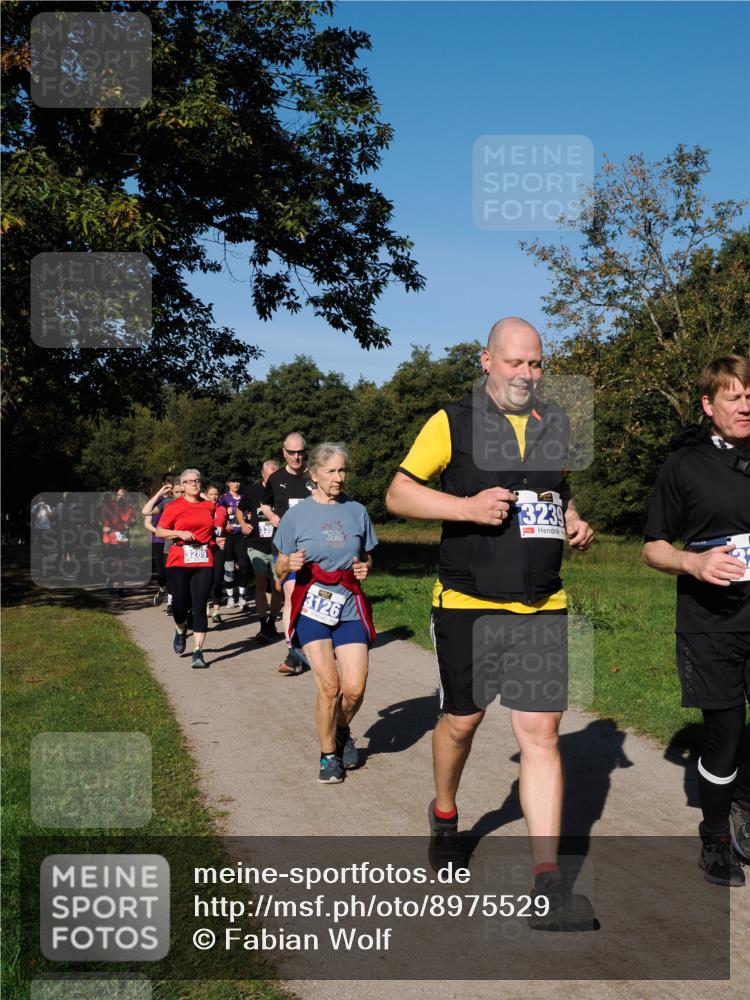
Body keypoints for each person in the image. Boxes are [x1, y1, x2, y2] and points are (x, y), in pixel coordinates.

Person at [386, 316, 595, 926]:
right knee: (461, 722)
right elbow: (399, 494)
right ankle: (445, 811)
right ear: (487, 360)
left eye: (535, 364)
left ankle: (548, 882)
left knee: (541, 733)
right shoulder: (452, 421)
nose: (527, 374)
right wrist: (466, 507)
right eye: (515, 363)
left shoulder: (554, 424)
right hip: (469, 602)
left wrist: (574, 521)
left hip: (542, 604)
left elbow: (556, 493)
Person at [643, 355, 750, 888]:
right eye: (734, 396)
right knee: (726, 733)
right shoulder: (683, 466)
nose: (746, 404)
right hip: (713, 621)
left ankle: (744, 808)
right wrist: (694, 562)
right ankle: (714, 838)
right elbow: (653, 548)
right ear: (709, 406)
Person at [274, 443, 377, 783]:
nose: (339, 477)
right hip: (313, 607)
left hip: (348, 605)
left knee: (355, 688)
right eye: (331, 471)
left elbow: (366, 557)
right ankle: (327, 756)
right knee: (330, 687)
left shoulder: (357, 511)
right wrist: (288, 563)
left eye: (343, 470)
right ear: (314, 475)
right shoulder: (297, 515)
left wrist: (364, 567)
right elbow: (278, 566)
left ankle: (343, 730)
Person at [262, 432, 314, 674]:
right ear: (283, 452)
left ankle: (314, 643)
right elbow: (265, 502)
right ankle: (293, 650)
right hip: (284, 548)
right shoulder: (275, 478)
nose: (296, 456)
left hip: (313, 547)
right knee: (292, 595)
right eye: (291, 452)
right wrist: (272, 516)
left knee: (313, 597)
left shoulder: (313, 476)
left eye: (300, 452)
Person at [155, 468, 217, 669]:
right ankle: (180, 629)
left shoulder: (209, 506)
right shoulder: (174, 506)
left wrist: (217, 539)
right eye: (189, 481)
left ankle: (198, 652)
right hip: (179, 559)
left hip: (203, 560)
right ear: (182, 484)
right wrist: (179, 533)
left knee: (199, 606)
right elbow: (160, 531)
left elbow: (211, 530)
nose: (194, 484)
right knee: (180, 606)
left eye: (197, 481)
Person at [237, 460, 282, 643]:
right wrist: (243, 524)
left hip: (278, 546)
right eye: (270, 473)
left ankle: (272, 621)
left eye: (276, 473)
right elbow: (240, 511)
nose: (273, 477)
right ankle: (263, 624)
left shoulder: (282, 491)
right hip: (256, 544)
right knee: (261, 579)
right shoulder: (252, 491)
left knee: (277, 586)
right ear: (262, 474)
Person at [142, 474, 175, 607]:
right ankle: (162, 589)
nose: (170, 484)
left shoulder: (177, 500)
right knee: (161, 573)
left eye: (172, 482)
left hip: (172, 540)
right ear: (163, 483)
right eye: (167, 482)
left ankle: (171, 604)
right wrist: (158, 532)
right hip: (158, 540)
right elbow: (147, 522)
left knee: (171, 572)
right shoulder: (158, 500)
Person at [218, 474, 250, 609]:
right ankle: (231, 597)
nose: (236, 484)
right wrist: (225, 523)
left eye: (238, 482)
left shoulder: (244, 497)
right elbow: (219, 518)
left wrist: (248, 516)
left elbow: (249, 514)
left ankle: (242, 596)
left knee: (244, 566)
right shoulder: (224, 498)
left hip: (241, 536)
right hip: (229, 537)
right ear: (228, 483)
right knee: (229, 567)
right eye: (234, 482)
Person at [100, 487, 136, 597]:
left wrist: (129, 524)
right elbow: (100, 522)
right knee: (113, 564)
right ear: (116, 496)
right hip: (110, 539)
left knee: (123, 564)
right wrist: (105, 528)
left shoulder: (129, 507)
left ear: (126, 497)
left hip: (123, 539)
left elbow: (135, 521)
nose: (121, 497)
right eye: (119, 495)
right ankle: (110, 580)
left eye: (123, 495)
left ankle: (121, 588)